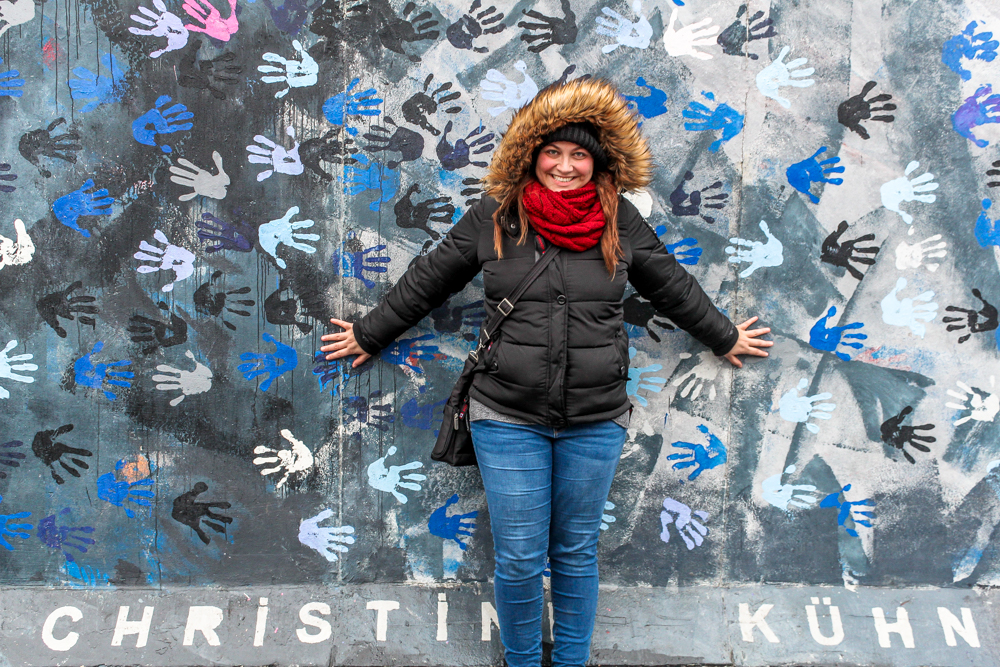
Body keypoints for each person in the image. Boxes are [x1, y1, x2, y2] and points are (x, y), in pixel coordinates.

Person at [320, 78, 771, 667]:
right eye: (552, 152)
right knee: (519, 556)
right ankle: (523, 661)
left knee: (577, 551)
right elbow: (429, 280)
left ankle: (573, 661)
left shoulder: (621, 222)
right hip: (506, 414)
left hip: (595, 417)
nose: (564, 166)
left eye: (579, 154)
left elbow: (670, 284)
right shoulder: (493, 217)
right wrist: (369, 332)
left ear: (599, 161)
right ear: (531, 156)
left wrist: (725, 334)